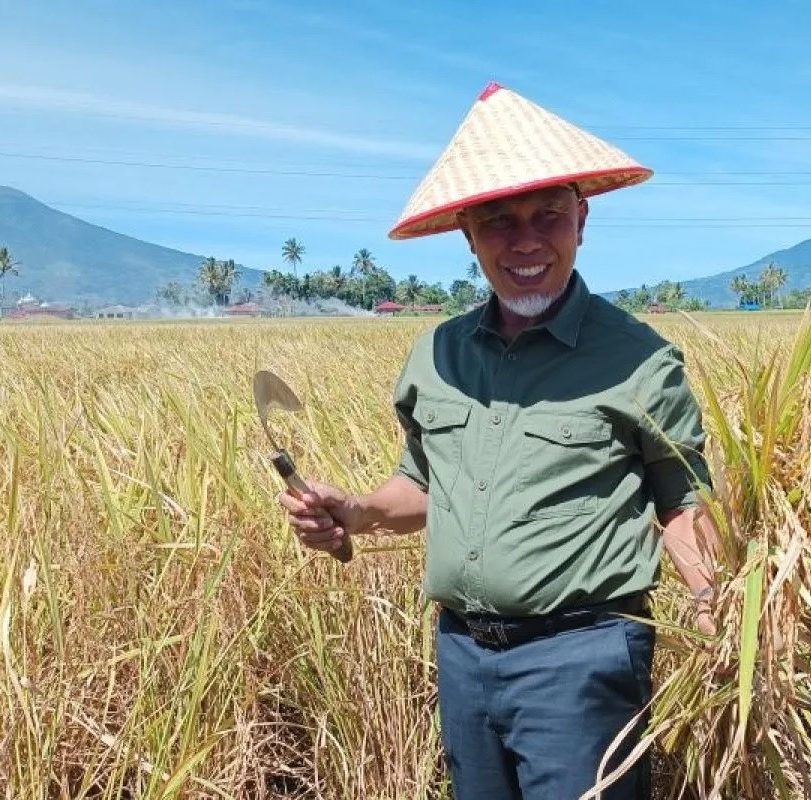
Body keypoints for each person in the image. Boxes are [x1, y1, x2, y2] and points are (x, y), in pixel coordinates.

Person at [279, 82, 718, 800]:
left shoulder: (637, 360)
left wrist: (711, 601)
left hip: (584, 662)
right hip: (461, 656)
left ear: (582, 219)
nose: (525, 242)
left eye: (548, 216)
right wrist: (354, 510)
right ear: (467, 235)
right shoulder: (438, 356)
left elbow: (682, 501)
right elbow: (421, 482)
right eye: (497, 222)